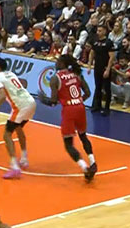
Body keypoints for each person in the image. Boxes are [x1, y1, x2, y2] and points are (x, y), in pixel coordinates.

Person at [38, 54, 98, 182]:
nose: (56, 63)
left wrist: (43, 100)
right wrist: (78, 101)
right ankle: (92, 162)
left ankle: (84, 167)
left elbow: (53, 102)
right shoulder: (76, 74)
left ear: (62, 63)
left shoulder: (55, 78)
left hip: (69, 110)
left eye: (58, 61)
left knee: (68, 144)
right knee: (83, 136)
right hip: (80, 107)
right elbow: (88, 93)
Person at [0, 57, 36, 179]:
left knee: (6, 135)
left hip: (20, 107)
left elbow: (2, 96)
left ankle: (14, 167)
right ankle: (24, 159)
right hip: (31, 103)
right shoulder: (10, 73)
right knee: (18, 128)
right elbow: (10, 87)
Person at [88, 25, 115, 116]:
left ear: (104, 31)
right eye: (97, 31)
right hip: (97, 67)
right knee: (98, 87)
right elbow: (92, 53)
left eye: (100, 31)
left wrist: (108, 69)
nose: (98, 32)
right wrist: (89, 65)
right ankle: (97, 105)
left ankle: (107, 108)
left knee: (107, 88)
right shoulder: (95, 41)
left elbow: (111, 57)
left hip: (105, 67)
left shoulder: (108, 42)